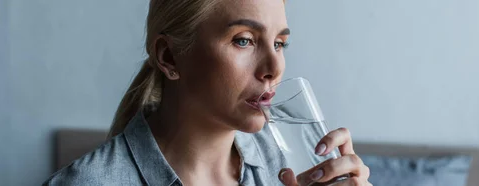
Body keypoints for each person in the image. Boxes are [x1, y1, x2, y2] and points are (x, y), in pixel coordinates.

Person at [43, 0, 371, 185]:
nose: (274, 66)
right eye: (244, 39)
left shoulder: (294, 165)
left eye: (279, 43)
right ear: (169, 57)